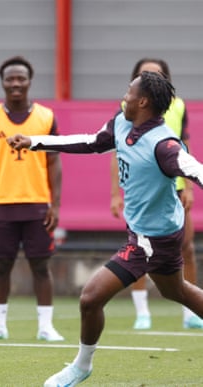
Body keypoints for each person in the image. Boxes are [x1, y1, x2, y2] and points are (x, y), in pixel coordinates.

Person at [7, 71, 203, 386]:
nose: (123, 97)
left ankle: (81, 366)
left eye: (129, 92)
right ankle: (82, 366)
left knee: (90, 297)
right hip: (152, 233)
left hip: (151, 242)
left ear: (142, 101)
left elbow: (194, 169)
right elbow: (89, 142)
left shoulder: (164, 145)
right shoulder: (122, 123)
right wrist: (35, 142)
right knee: (175, 290)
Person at [0, 56, 64, 342]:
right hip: (2, 204)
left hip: (37, 204)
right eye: (10, 79)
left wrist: (56, 204)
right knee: (1, 265)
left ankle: (46, 327)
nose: (15, 84)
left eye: (20, 78)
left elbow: (54, 163)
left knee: (41, 265)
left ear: (29, 81)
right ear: (2, 82)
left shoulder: (46, 117)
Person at [110, 58, 203, 330]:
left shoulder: (178, 105)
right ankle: (142, 312)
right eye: (143, 75)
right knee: (137, 249)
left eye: (157, 75)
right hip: (143, 186)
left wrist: (186, 188)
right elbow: (116, 152)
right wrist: (116, 193)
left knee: (186, 246)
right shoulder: (125, 111)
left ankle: (190, 313)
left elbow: (184, 147)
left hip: (174, 185)